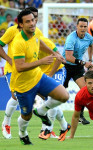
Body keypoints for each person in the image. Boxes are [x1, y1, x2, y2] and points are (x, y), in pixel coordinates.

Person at [10, 10, 69, 145]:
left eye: (33, 20)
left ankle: (41, 111)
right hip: (23, 85)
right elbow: (19, 67)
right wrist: (41, 62)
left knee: (64, 96)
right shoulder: (18, 42)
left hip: (38, 77)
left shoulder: (35, 32)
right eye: (28, 21)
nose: (32, 23)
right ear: (21, 24)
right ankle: (23, 133)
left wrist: (54, 53)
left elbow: (40, 43)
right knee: (26, 116)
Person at [0, 6, 43, 139]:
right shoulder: (12, 30)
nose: (33, 21)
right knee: (17, 96)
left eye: (35, 18)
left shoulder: (37, 32)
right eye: (31, 18)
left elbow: (40, 47)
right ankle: (6, 123)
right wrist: (9, 59)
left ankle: (47, 128)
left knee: (44, 95)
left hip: (29, 71)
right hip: (12, 70)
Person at [37, 36, 71, 141]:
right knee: (49, 102)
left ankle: (47, 128)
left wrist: (49, 77)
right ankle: (65, 126)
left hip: (57, 71)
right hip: (42, 74)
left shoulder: (44, 42)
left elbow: (60, 59)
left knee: (53, 98)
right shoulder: (25, 45)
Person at [62, 17, 93, 125]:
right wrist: (85, 63)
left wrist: (90, 59)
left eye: (85, 26)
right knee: (59, 92)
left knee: (85, 89)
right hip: (65, 66)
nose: (83, 28)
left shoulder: (89, 38)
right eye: (81, 26)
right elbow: (68, 57)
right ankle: (47, 112)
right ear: (77, 26)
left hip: (77, 67)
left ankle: (80, 116)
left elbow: (91, 45)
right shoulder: (71, 38)